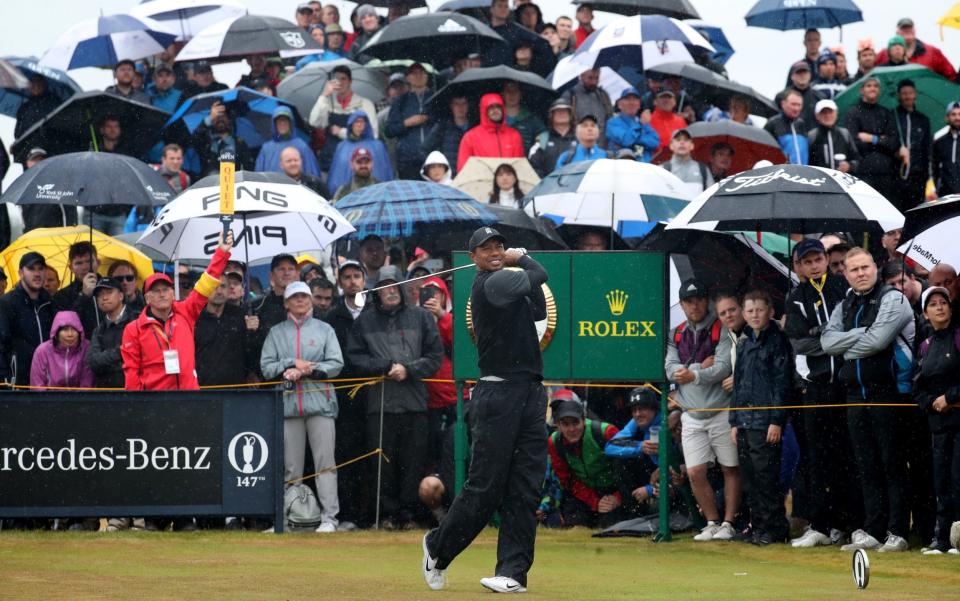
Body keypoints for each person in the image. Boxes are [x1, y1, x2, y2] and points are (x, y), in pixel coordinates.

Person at [421, 228, 547, 593]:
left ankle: (513, 572)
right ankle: (437, 547)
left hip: (529, 392)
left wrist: (517, 265)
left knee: (525, 488)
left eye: (499, 246)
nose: (495, 252)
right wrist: (519, 257)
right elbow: (540, 273)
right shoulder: (489, 284)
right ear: (473, 257)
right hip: (498, 394)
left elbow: (538, 305)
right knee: (485, 488)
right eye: (486, 248)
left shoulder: (507, 284)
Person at [821, 247, 914, 553]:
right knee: (867, 465)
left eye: (866, 267)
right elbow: (826, 342)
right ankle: (874, 528)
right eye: (854, 269)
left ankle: (898, 531)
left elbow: (878, 341)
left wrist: (846, 345)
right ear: (845, 273)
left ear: (876, 267)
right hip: (854, 394)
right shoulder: (846, 302)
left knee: (892, 464)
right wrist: (861, 334)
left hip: (889, 393)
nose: (861, 273)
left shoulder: (893, 298)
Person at [347, 266, 442, 530]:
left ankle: (410, 514)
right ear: (376, 292)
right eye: (385, 286)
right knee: (383, 465)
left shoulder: (421, 317)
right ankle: (387, 515)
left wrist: (409, 369)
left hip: (415, 403)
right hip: (380, 405)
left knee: (413, 464)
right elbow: (355, 358)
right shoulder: (364, 321)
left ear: (402, 287)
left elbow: (435, 357)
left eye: (394, 285)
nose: (390, 291)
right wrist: (384, 366)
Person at [784, 238, 861, 548]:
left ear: (827, 260)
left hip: (845, 385)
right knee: (818, 460)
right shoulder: (796, 296)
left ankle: (853, 524)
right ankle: (820, 525)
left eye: (818, 259)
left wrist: (827, 337)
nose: (814, 265)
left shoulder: (843, 286)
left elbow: (857, 330)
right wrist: (833, 340)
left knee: (849, 457)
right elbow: (800, 342)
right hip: (814, 388)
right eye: (808, 261)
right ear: (800, 266)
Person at [261, 281, 344, 533]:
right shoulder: (276, 332)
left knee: (325, 464)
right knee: (291, 468)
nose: (300, 301)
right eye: (294, 297)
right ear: (286, 302)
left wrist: (310, 369)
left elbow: (336, 363)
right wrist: (290, 364)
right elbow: (266, 367)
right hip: (288, 407)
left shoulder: (325, 329)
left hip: (320, 405)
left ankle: (330, 518)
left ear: (311, 301)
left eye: (304, 297)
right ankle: (289, 518)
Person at [664, 278, 740, 542]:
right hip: (691, 413)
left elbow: (722, 367)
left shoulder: (721, 327)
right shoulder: (676, 333)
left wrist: (692, 373)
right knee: (695, 471)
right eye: (688, 301)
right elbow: (670, 367)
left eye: (698, 299)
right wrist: (699, 368)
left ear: (706, 300)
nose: (694, 305)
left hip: (721, 409)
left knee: (730, 467)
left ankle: (728, 523)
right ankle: (711, 521)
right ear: (682, 304)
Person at [121, 232, 232, 391]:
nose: (162, 294)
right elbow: (131, 372)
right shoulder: (134, 329)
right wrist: (137, 407)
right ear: (147, 298)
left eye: (166, 289)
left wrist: (221, 252)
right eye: (156, 291)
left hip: (190, 399)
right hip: (155, 404)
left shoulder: (186, 311)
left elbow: (206, 284)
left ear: (173, 293)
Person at [730, 289, 792, 545]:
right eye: (750, 310)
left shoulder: (777, 341)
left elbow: (781, 383)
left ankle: (775, 528)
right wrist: (733, 421)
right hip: (744, 420)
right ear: (744, 314)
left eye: (759, 309)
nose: (755, 314)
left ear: (770, 311)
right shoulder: (745, 343)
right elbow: (738, 382)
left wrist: (776, 420)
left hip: (765, 421)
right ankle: (757, 526)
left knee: (766, 477)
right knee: (750, 478)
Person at [324, 260, 369, 529]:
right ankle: (348, 513)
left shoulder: (375, 310)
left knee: (370, 454)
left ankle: (367, 514)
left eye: (356, 276)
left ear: (364, 280)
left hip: (372, 391)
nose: (352, 281)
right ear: (340, 282)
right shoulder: (333, 315)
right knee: (344, 454)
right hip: (342, 393)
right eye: (347, 277)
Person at [915, 287, 960, 554]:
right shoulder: (925, 345)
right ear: (925, 313)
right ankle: (942, 539)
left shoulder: (958, 337)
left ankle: (958, 539)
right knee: (941, 482)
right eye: (933, 304)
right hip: (938, 424)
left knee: (958, 479)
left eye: (944, 302)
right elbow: (917, 387)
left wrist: (950, 397)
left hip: (958, 421)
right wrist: (933, 402)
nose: (939, 307)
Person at [546, 390, 624, 527]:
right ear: (558, 425)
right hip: (583, 494)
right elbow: (568, 481)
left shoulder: (606, 431)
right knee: (574, 525)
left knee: (611, 527)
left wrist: (618, 497)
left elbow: (628, 468)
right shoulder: (553, 442)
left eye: (575, 423)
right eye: (565, 424)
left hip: (615, 489)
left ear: (584, 420)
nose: (571, 429)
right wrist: (595, 502)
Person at [604, 387, 663, 515]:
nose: (637, 414)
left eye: (642, 409)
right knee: (621, 462)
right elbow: (610, 447)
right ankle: (634, 514)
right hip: (656, 474)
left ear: (654, 408)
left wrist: (649, 490)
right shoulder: (638, 421)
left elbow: (678, 466)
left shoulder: (666, 422)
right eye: (634, 410)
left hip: (675, 478)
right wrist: (639, 447)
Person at [308, 65, 379, 172]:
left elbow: (373, 134)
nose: (340, 82)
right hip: (331, 159)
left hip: (357, 159)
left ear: (350, 81)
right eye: (337, 79)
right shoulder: (327, 103)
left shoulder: (364, 104)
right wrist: (324, 95)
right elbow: (314, 122)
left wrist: (341, 132)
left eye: (343, 79)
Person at [0, 252, 55, 386]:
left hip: (49, 381)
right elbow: (1, 344)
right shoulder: (7, 303)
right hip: (19, 381)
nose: (37, 274)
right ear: (21, 273)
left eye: (41, 269)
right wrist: (6, 379)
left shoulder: (50, 302)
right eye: (31, 269)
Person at [845, 76, 901, 207]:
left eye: (876, 86)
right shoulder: (853, 112)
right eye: (869, 85)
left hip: (886, 172)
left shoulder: (886, 113)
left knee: (887, 211)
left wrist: (872, 139)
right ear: (862, 90)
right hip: (863, 173)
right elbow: (853, 142)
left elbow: (894, 143)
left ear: (880, 90)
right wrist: (882, 140)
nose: (872, 89)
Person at [195, 278, 257, 387]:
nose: (219, 291)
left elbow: (250, 350)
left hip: (236, 391)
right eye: (214, 286)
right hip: (203, 389)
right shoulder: (195, 317)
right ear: (205, 289)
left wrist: (253, 332)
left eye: (223, 286)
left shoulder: (242, 315)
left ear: (229, 290)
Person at [86, 277, 136, 389]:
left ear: (121, 296)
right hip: (105, 393)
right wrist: (121, 351)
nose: (104, 297)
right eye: (99, 295)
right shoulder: (99, 330)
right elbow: (93, 362)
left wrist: (106, 360)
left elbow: (137, 357)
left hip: (134, 391)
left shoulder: (136, 321)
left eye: (109, 292)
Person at [386, 63, 433, 180]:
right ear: (407, 78)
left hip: (432, 156)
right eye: (414, 73)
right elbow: (389, 130)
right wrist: (407, 123)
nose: (419, 76)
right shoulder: (401, 101)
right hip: (407, 159)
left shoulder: (435, 97)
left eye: (422, 73)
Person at [28, 307, 93, 391]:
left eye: (74, 329)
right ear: (56, 333)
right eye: (65, 330)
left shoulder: (87, 348)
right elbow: (37, 385)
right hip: (49, 399)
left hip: (80, 399)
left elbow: (87, 383)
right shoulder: (42, 351)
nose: (70, 334)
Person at [457, 94, 524, 173]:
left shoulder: (514, 135)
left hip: (508, 183)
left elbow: (520, 167)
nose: (495, 110)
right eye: (491, 108)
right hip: (481, 183)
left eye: (498, 107)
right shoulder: (470, 137)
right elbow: (463, 169)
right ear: (484, 110)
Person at [328, 111, 392, 193]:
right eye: (356, 121)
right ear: (351, 124)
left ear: (366, 124)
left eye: (362, 121)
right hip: (347, 194)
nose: (359, 125)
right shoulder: (342, 146)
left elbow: (385, 172)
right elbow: (336, 175)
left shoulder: (378, 146)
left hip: (375, 193)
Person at [874, 17, 957, 81]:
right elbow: (869, 75)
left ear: (915, 30)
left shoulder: (932, 52)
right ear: (897, 32)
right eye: (903, 28)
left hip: (926, 99)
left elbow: (951, 75)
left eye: (910, 28)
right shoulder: (883, 54)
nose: (907, 30)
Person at [53, 242, 103, 338]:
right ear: (71, 267)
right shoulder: (61, 296)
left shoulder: (111, 288)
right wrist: (83, 296)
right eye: (79, 263)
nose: (85, 267)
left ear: (98, 262)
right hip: (81, 350)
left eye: (89, 261)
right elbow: (66, 326)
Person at [893, 80, 931, 210]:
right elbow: (888, 141)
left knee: (917, 212)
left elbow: (927, 149)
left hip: (918, 176)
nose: (907, 96)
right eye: (904, 93)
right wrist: (897, 152)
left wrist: (926, 175)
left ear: (915, 95)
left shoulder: (923, 119)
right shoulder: (893, 116)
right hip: (896, 175)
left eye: (910, 93)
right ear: (898, 96)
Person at [20, 147, 78, 231]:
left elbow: (69, 212)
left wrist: (70, 232)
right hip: (33, 236)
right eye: (34, 159)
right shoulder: (22, 186)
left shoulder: (60, 182)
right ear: (27, 163)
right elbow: (24, 217)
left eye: (41, 159)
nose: (38, 163)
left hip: (56, 234)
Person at [255, 106, 321, 178]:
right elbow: (258, 175)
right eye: (279, 121)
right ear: (274, 124)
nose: (282, 124)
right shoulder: (266, 148)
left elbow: (312, 175)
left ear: (290, 123)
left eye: (285, 120)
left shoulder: (302, 146)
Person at [193, 101, 255, 175]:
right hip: (210, 184)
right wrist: (209, 118)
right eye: (216, 116)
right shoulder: (206, 142)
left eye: (223, 116)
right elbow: (195, 137)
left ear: (229, 119)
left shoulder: (239, 144)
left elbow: (248, 169)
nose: (220, 119)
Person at [605, 88, 659, 161]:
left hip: (644, 165)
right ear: (619, 104)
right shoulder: (613, 123)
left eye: (634, 99)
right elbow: (627, 140)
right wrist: (640, 128)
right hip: (621, 165)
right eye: (627, 99)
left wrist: (636, 140)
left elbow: (655, 143)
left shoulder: (643, 122)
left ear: (639, 105)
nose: (631, 102)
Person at [422, 95, 470, 178]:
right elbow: (425, 148)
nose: (460, 107)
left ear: (468, 105)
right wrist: (437, 167)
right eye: (456, 104)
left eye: (464, 103)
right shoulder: (443, 127)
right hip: (449, 176)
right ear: (451, 106)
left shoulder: (474, 126)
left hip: (470, 174)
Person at [807, 99, 860, 173]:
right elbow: (806, 163)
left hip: (841, 181)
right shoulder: (812, 136)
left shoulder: (845, 133)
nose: (828, 115)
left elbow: (857, 159)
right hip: (819, 181)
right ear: (817, 116)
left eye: (830, 112)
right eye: (824, 113)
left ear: (836, 114)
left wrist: (849, 166)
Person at [528, 98, 576, 178]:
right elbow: (533, 164)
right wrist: (544, 181)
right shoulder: (543, 138)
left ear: (570, 115)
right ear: (551, 115)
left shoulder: (579, 138)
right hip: (549, 187)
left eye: (565, 111)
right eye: (558, 111)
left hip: (574, 185)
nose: (561, 113)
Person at [561, 69, 613, 140]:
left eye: (597, 78)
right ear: (581, 76)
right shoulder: (570, 96)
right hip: (578, 145)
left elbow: (610, 122)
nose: (594, 82)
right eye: (590, 78)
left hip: (602, 147)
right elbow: (563, 125)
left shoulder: (603, 96)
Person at [764, 89, 808, 165]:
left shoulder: (801, 124)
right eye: (793, 104)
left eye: (799, 105)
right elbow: (765, 152)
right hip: (782, 172)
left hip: (804, 173)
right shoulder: (773, 124)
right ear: (783, 104)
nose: (796, 108)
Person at [501, 82, 545, 154]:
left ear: (521, 95)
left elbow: (544, 135)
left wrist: (536, 154)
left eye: (515, 91)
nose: (512, 95)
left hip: (524, 161)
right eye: (508, 91)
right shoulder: (494, 117)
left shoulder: (530, 118)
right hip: (498, 160)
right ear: (502, 94)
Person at [14, 75, 60, 139]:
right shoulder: (24, 107)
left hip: (47, 144)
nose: (36, 85)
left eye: (39, 81)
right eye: (33, 81)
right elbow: (17, 134)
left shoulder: (55, 103)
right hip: (27, 145)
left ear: (45, 84)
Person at [933, 102, 960, 197]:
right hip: (945, 194)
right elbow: (934, 169)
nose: (957, 118)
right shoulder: (939, 142)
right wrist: (935, 188)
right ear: (947, 118)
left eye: (959, 114)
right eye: (953, 114)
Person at [784, 61, 823, 128]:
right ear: (792, 76)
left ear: (810, 75)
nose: (802, 75)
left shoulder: (819, 97)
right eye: (799, 73)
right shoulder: (783, 96)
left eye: (805, 72)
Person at [650, 90, 688, 155]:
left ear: (674, 102)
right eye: (663, 97)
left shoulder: (680, 121)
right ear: (655, 102)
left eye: (669, 97)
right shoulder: (648, 120)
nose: (666, 100)